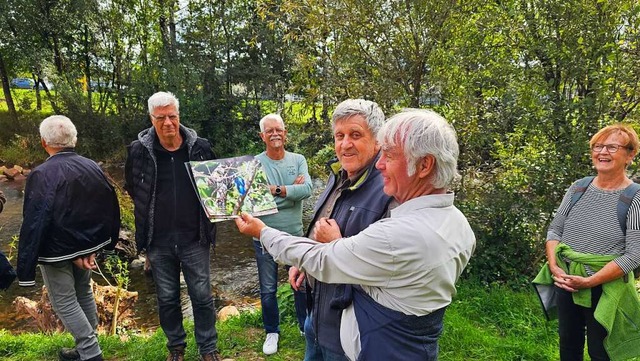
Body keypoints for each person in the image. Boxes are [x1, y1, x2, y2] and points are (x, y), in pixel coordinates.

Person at [236, 109, 476, 360]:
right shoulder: (459, 224)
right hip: (335, 321)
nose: (381, 164)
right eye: (339, 135)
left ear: (425, 165)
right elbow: (384, 271)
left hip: (364, 342)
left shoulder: (400, 233)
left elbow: (329, 258)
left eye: (390, 155)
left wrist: (262, 231)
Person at [288, 99, 393, 361]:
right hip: (318, 313)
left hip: (350, 325)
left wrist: (338, 242)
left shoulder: (390, 189)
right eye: (339, 136)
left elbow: (388, 265)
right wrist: (303, 260)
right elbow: (319, 227)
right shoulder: (339, 176)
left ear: (378, 140)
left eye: (355, 135)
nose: (345, 144)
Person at [124, 92, 221, 361]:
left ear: (179, 116)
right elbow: (133, 188)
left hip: (195, 237)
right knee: (167, 298)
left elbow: (216, 187)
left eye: (172, 116)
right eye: (161, 117)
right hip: (158, 240)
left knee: (201, 296)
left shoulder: (200, 147)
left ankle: (208, 348)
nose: (168, 123)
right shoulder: (139, 150)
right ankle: (176, 347)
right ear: (151, 119)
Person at [16, 115, 120, 361]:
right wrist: (90, 248)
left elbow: (36, 219)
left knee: (63, 300)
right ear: (74, 139)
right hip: (86, 245)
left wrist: (26, 260)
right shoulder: (91, 165)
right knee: (83, 291)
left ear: (44, 142)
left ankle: (91, 352)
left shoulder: (41, 174)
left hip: (57, 250)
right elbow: (105, 207)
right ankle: (84, 346)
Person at [533, 123, 640, 361]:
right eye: (597, 146)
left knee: (600, 352)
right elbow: (555, 230)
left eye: (612, 147)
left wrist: (590, 281)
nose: (602, 152)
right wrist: (554, 267)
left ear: (630, 155)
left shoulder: (635, 198)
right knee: (568, 347)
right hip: (566, 281)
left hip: (605, 287)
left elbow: (634, 255)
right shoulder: (578, 187)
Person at [254, 113, 312, 355]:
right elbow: (256, 198)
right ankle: (272, 331)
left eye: (279, 129)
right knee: (267, 289)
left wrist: (275, 190)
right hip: (264, 236)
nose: (275, 133)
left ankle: (304, 327)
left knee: (299, 283)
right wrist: (291, 191)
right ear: (262, 136)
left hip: (294, 235)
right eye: (270, 131)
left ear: (285, 133)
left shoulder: (298, 159)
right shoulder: (255, 163)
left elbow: (307, 189)